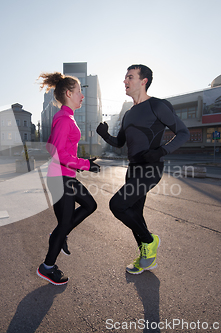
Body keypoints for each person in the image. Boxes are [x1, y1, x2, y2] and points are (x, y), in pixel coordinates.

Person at [96, 64, 190, 274]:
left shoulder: (157, 105)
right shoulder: (128, 114)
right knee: (135, 214)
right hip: (133, 169)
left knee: (117, 205)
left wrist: (162, 151)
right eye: (125, 77)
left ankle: (150, 240)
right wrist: (104, 134)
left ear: (143, 81)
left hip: (150, 168)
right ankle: (146, 259)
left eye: (130, 77)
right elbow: (119, 143)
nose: (125, 81)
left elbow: (183, 133)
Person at [37, 72, 101, 285]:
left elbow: (55, 147)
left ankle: (60, 233)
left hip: (66, 176)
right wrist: (85, 164)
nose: (82, 96)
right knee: (64, 224)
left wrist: (79, 161)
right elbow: (56, 153)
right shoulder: (64, 119)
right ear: (68, 93)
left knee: (90, 205)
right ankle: (47, 267)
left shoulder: (66, 117)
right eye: (79, 92)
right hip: (60, 178)